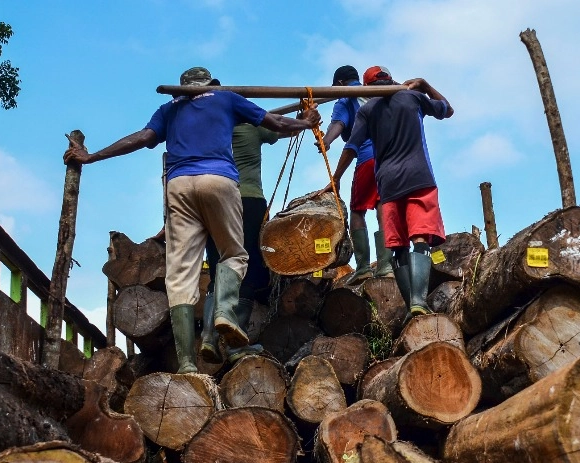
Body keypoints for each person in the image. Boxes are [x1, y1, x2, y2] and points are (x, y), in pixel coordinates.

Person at [64, 67, 320, 373]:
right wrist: (304, 123)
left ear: (182, 90)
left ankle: (187, 364)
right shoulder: (227, 99)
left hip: (179, 185)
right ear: (210, 84)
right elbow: (276, 122)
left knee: (180, 275)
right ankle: (225, 312)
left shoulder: (168, 110)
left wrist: (92, 158)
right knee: (234, 253)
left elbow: (142, 138)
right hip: (219, 181)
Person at [326, 65, 454, 321]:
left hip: (389, 184)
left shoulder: (367, 110)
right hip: (419, 179)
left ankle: (409, 307)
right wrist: (425, 85)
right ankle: (419, 301)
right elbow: (446, 109)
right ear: (391, 80)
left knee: (397, 246)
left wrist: (335, 178)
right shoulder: (413, 97)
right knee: (420, 238)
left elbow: (352, 145)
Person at [199, 122, 293, 364]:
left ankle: (208, 337)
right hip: (247, 200)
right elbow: (285, 129)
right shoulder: (251, 125)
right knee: (247, 269)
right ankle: (235, 345)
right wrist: (304, 118)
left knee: (218, 267)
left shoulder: (207, 130)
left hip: (212, 202)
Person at [320, 65, 391, 285]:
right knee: (382, 206)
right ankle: (386, 265)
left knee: (358, 211)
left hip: (367, 158)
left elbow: (338, 123)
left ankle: (363, 268)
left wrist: (326, 141)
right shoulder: (375, 94)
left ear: (340, 83)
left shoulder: (345, 98)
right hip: (390, 158)